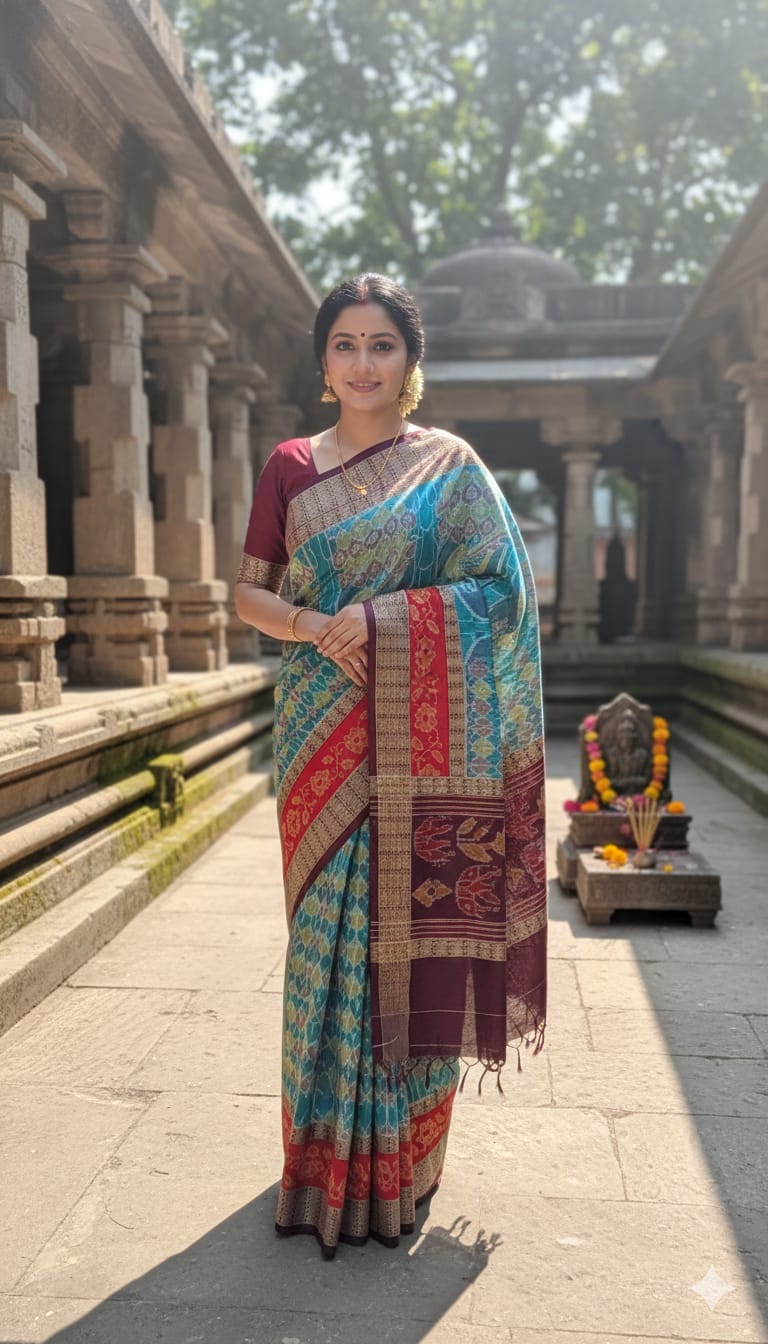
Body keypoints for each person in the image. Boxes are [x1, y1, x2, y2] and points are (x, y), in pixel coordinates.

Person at [234, 273, 547, 1260]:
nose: (363, 363)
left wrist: (383, 620)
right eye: (345, 345)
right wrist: (320, 627)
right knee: (323, 944)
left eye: (383, 345)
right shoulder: (290, 465)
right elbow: (250, 596)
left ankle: (402, 1166)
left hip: (426, 737)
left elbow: (499, 589)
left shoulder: (449, 469)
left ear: (410, 364)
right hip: (322, 727)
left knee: (413, 933)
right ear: (322, 363)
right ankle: (318, 1165)